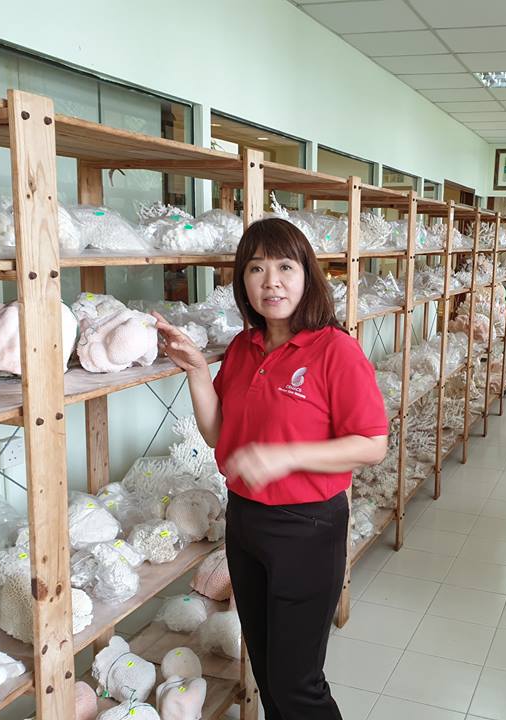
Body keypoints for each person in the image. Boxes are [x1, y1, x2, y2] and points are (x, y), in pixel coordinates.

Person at [156, 218, 388, 720]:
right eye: (256, 268)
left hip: (306, 527)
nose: (271, 281)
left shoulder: (334, 350)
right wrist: (197, 370)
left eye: (285, 266)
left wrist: (287, 454)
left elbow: (372, 444)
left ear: (307, 275)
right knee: (266, 670)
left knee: (298, 683)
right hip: (247, 524)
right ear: (242, 280)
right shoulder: (243, 347)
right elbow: (221, 435)